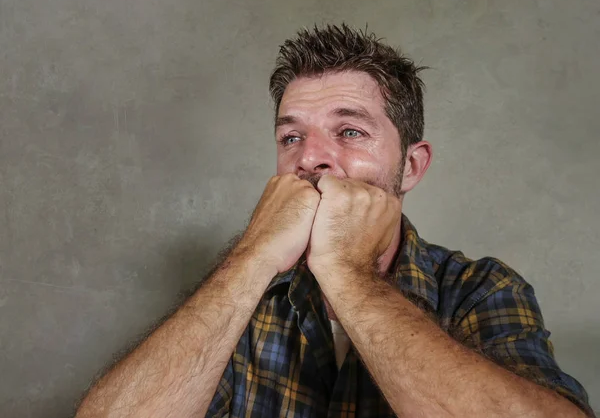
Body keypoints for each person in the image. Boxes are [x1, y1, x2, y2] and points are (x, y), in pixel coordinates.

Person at [75, 24, 594, 418]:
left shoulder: (481, 289)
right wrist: (251, 257)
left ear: (410, 166)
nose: (310, 159)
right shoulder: (240, 293)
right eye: (291, 137)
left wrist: (347, 272)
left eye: (349, 131)